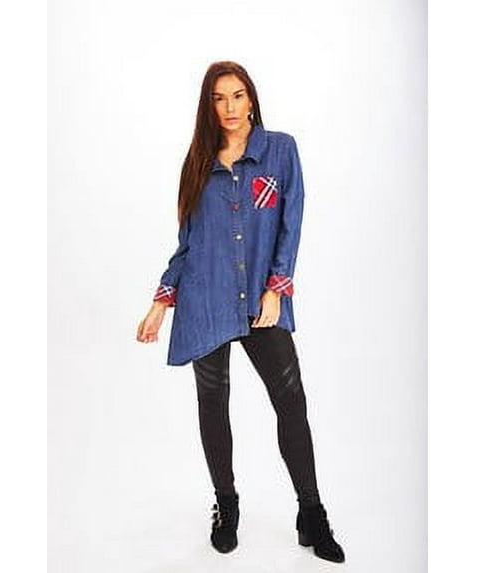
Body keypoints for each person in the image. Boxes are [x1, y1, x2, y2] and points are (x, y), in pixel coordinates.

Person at [136, 61, 345, 563]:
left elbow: (290, 223)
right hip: (205, 301)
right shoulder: (197, 163)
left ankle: (311, 513)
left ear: (251, 99)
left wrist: (277, 289)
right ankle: (226, 505)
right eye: (218, 98)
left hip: (260, 301)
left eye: (237, 95)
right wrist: (161, 302)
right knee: (213, 405)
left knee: (291, 402)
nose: (229, 107)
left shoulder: (280, 151)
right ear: (208, 106)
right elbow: (188, 245)